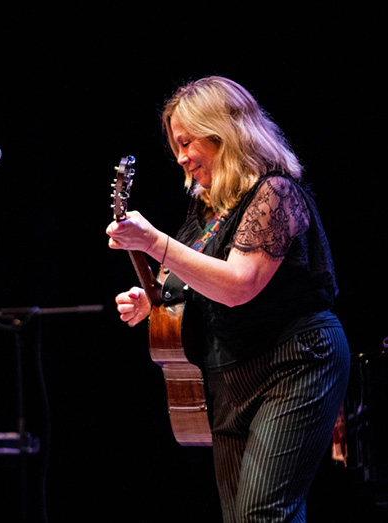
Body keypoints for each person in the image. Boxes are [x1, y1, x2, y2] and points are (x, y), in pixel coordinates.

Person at [106, 76, 350, 523]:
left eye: (187, 142)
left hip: (294, 362)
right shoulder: (206, 206)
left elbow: (238, 285)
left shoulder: (275, 193)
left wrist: (153, 241)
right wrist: (152, 300)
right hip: (230, 371)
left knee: (264, 514)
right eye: (175, 145)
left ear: (224, 133)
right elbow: (193, 279)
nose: (180, 157)